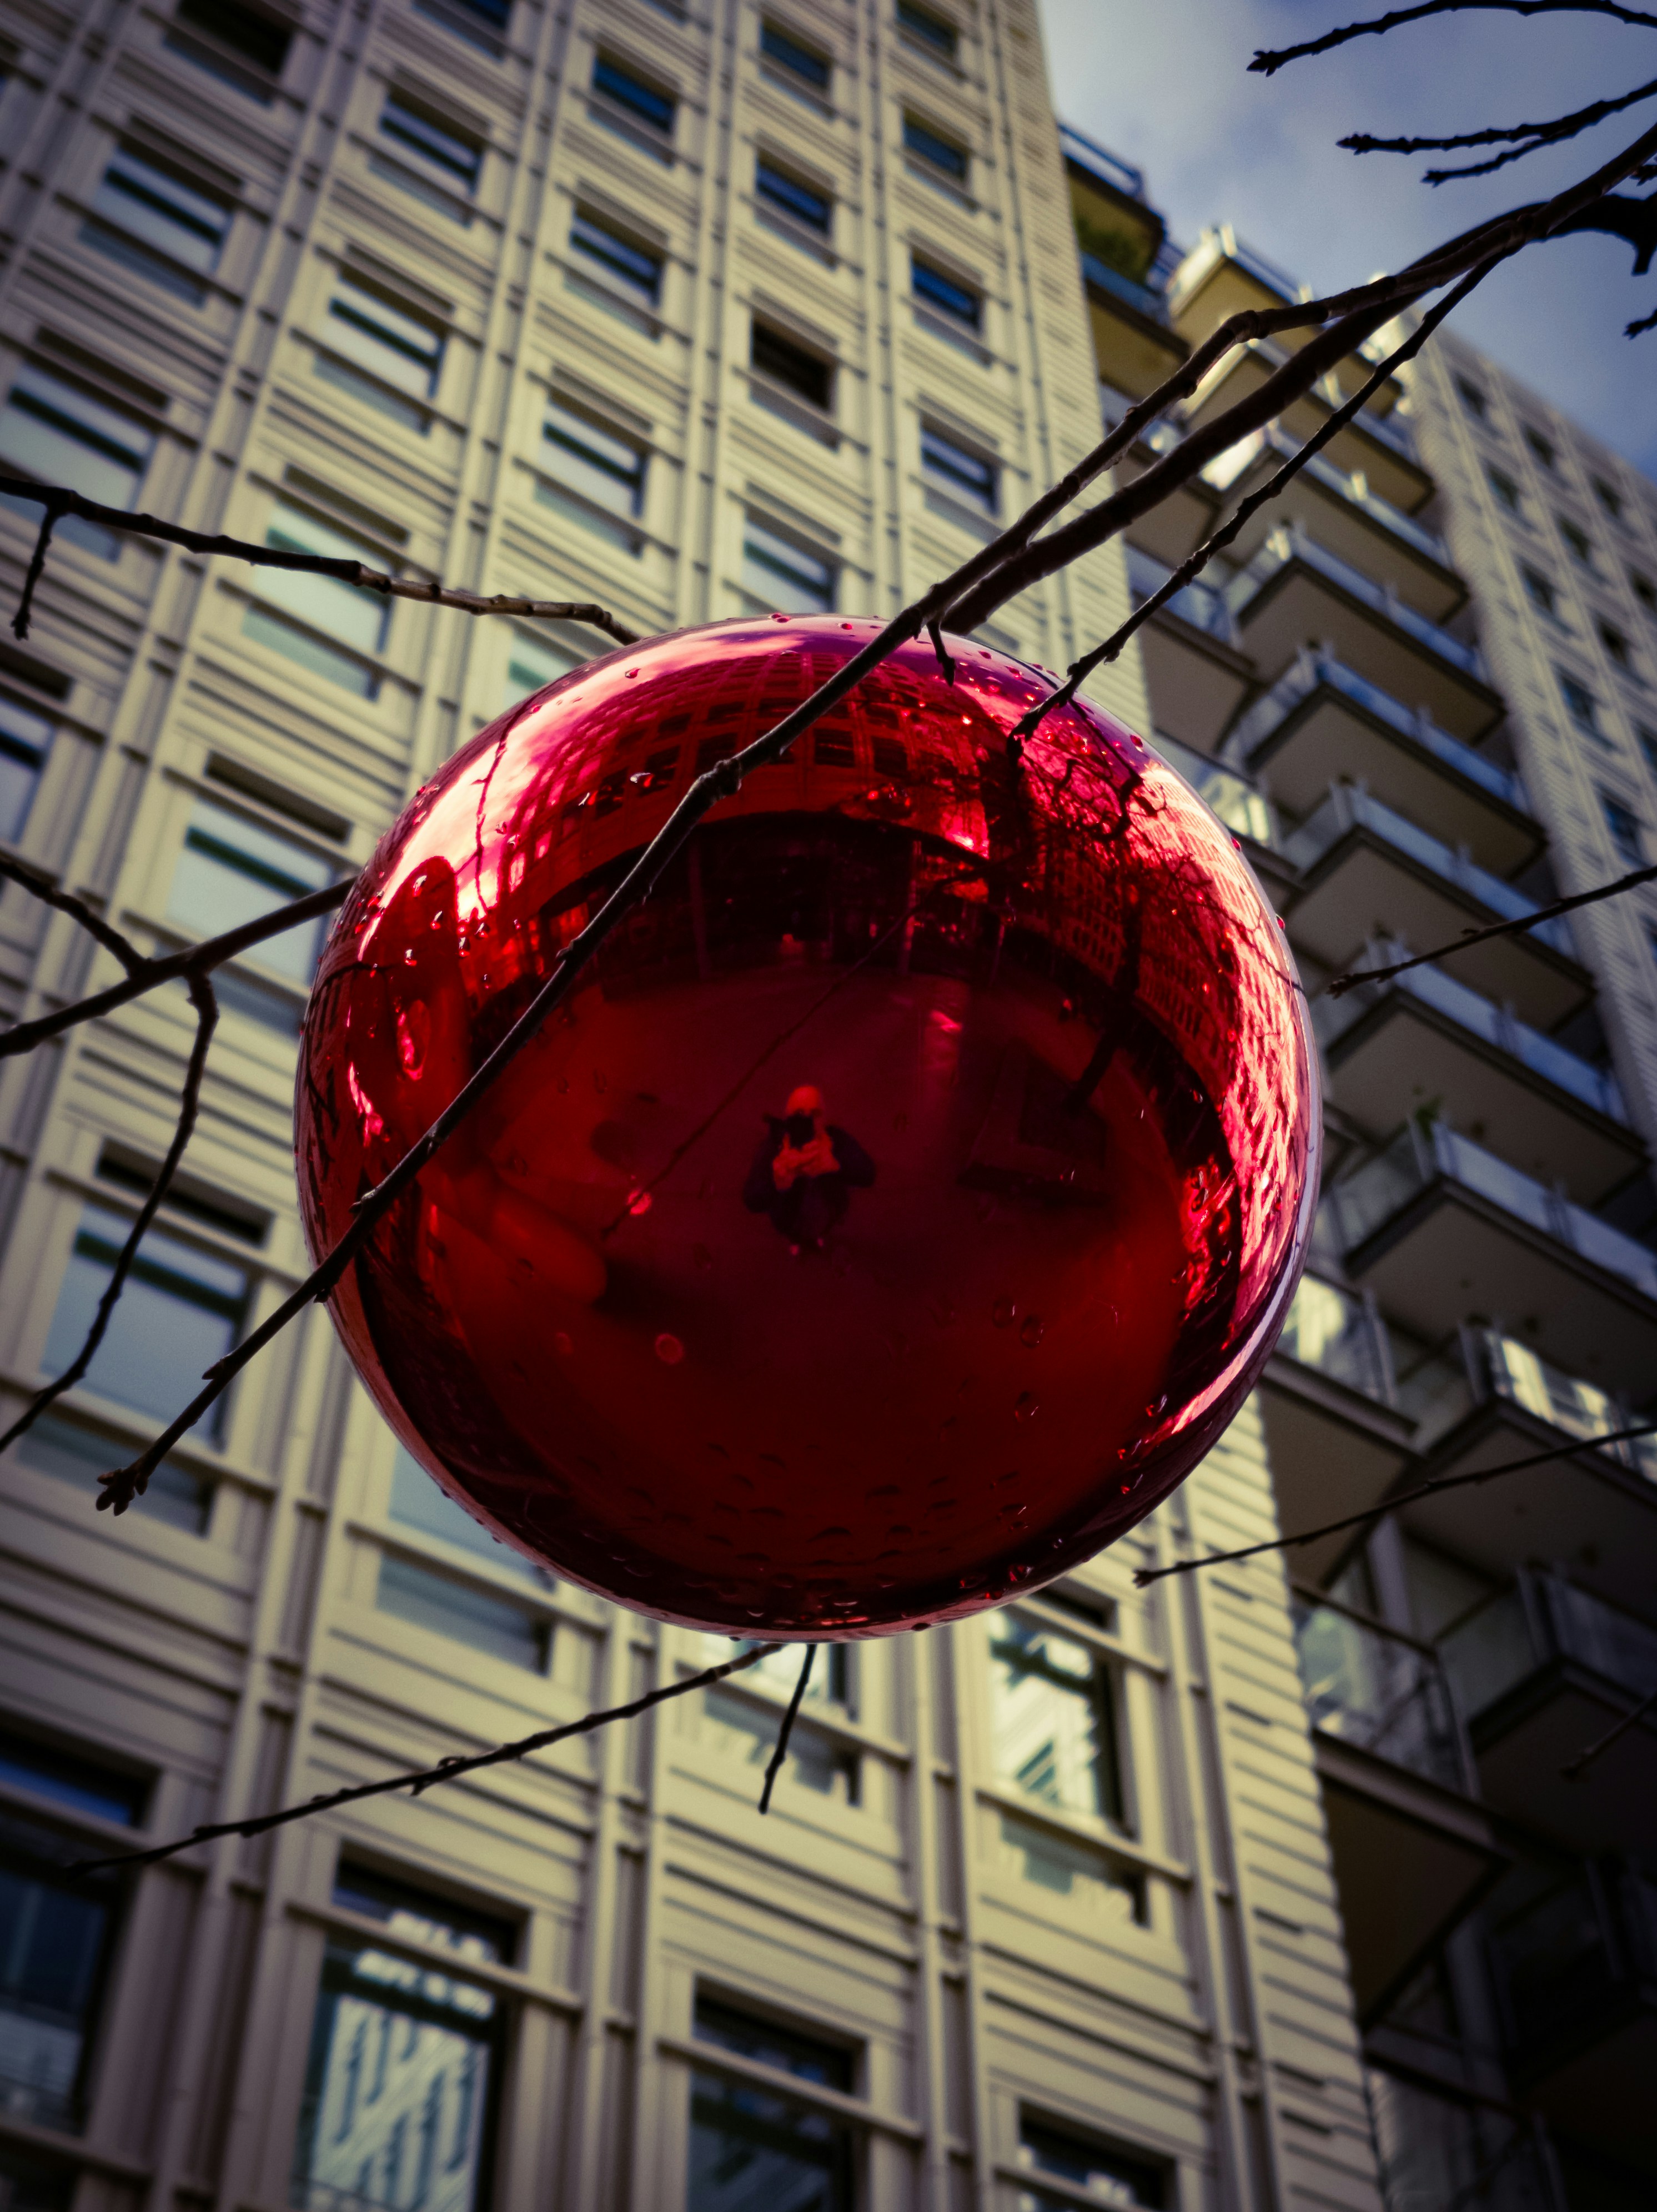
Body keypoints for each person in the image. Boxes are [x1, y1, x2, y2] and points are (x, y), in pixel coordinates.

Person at [742, 1084, 875, 1252]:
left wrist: (836, 1165)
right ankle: (796, 1241)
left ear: (825, 1118)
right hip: (790, 1221)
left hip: (826, 1217)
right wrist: (777, 1182)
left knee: (820, 1229)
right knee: (793, 1233)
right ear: (788, 1119)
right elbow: (752, 1201)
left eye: (815, 1114)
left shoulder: (835, 1140)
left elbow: (869, 1174)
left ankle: (817, 1237)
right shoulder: (775, 1148)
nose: (808, 1122)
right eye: (799, 1115)